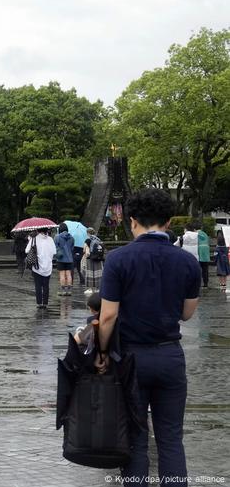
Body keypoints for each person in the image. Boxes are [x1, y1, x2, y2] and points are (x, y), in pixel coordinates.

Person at [96, 188, 200, 487]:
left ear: (132, 221)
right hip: (170, 356)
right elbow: (187, 314)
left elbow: (108, 316)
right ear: (169, 222)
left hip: (130, 359)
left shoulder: (118, 259)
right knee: (170, 438)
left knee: (136, 437)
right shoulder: (187, 262)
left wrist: (102, 354)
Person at [26, 228, 56, 309]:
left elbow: (27, 250)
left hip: (37, 266)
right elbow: (54, 252)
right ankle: (45, 303)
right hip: (48, 267)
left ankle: (39, 303)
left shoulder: (34, 239)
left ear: (38, 230)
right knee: (46, 285)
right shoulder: (50, 239)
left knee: (38, 285)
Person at [54, 223, 75, 296]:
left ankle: (63, 291)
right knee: (69, 274)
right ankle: (69, 291)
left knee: (62, 274)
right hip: (69, 259)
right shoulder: (72, 237)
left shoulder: (57, 237)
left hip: (61, 259)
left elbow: (55, 247)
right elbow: (72, 248)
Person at [83, 227, 105, 294]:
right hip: (98, 259)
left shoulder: (88, 240)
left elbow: (84, 249)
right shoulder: (98, 239)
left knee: (90, 274)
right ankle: (98, 288)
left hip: (90, 259)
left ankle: (90, 289)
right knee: (98, 273)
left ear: (88, 233)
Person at [197, 224, 210, 289]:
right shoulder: (205, 234)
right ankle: (205, 284)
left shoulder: (196, 234)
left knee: (198, 269)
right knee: (205, 269)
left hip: (199, 253)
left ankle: (198, 284)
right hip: (206, 254)